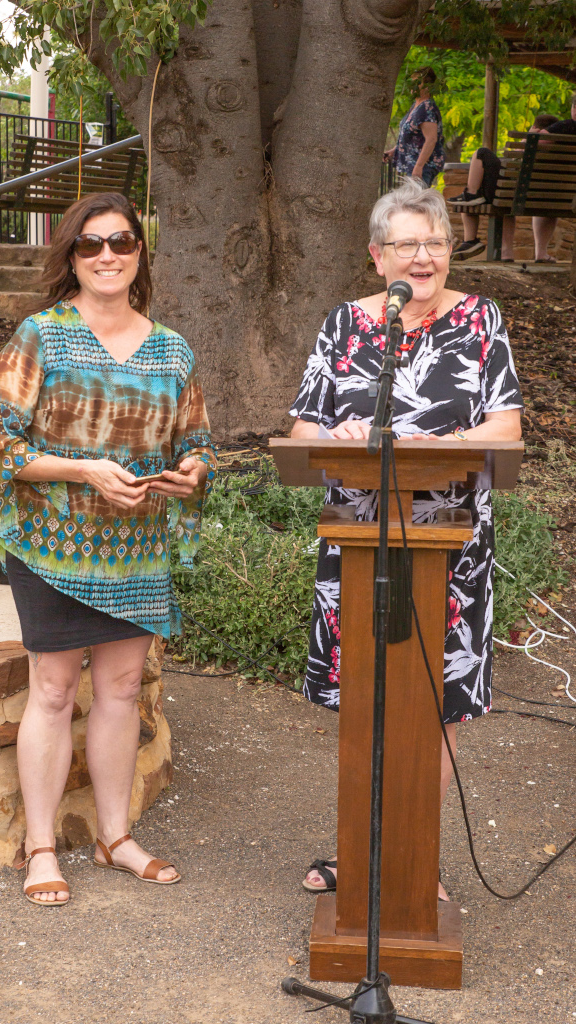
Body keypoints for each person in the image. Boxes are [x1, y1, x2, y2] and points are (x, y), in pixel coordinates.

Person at [0, 192, 217, 906]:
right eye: (90, 245)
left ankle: (115, 838)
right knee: (51, 691)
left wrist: (193, 470)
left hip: (134, 547)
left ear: (140, 254)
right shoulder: (40, 337)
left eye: (121, 242)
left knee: (116, 691)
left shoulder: (172, 349)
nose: (107, 255)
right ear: (71, 258)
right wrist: (83, 470)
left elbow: (197, 441)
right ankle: (41, 847)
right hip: (53, 544)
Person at [289, 178, 522, 900]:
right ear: (376, 256)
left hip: (449, 547)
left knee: (436, 700)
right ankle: (362, 854)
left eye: (436, 242)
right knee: (366, 696)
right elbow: (301, 431)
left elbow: (505, 427)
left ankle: (413, 854)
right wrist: (341, 432)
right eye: (406, 244)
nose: (422, 257)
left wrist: (437, 438)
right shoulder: (344, 325)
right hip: (357, 542)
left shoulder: (480, 319)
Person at [449, 113, 559, 262]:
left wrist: (527, 138)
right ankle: (519, 253)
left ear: (535, 127)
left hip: (512, 196)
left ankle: (472, 232)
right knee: (502, 198)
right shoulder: (559, 151)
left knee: (482, 154)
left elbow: (514, 162)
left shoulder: (533, 142)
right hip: (547, 198)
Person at [532, 92, 576, 263]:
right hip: (568, 195)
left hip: (546, 193)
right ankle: (541, 254)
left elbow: (532, 147)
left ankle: (540, 253)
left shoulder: (563, 127)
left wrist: (530, 135)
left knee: (546, 194)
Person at [384, 66, 445, 187]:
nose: (413, 85)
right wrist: (394, 151)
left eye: (417, 82)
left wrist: (419, 167)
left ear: (427, 86)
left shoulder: (427, 108)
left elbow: (431, 139)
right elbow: (412, 137)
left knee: (415, 203)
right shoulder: (417, 104)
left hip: (422, 167)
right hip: (409, 165)